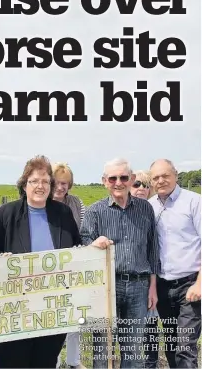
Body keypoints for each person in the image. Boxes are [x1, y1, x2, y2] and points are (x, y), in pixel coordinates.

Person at [0, 155, 82, 369]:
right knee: (14, 362)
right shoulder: (5, 214)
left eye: (45, 181)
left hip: (52, 309)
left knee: (45, 362)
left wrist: (97, 247)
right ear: (24, 184)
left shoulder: (63, 213)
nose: (40, 186)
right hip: (15, 310)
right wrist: (0, 260)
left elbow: (76, 250)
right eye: (34, 181)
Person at [80, 158, 159, 369]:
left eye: (124, 177)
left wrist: (153, 286)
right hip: (106, 286)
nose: (118, 182)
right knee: (103, 348)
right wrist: (93, 244)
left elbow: (152, 248)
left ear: (131, 179)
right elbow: (83, 245)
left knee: (133, 349)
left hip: (139, 286)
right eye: (112, 178)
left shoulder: (145, 209)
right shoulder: (94, 211)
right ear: (104, 181)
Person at [149, 159, 201, 369]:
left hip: (190, 285)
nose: (161, 181)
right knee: (171, 345)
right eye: (156, 177)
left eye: (165, 175)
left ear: (176, 175)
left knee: (185, 346)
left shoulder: (194, 202)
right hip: (163, 286)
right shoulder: (150, 206)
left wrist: (199, 284)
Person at [52, 162, 86, 369]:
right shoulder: (42, 203)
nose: (61, 187)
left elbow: (83, 230)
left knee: (76, 318)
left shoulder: (76, 203)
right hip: (49, 270)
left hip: (73, 267)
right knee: (52, 319)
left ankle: (74, 360)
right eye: (57, 182)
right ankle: (52, 361)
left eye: (65, 183)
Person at [130, 170, 159, 369]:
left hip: (150, 274)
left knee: (150, 324)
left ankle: (151, 363)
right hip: (126, 278)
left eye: (146, 185)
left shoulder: (155, 209)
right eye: (137, 184)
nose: (141, 189)